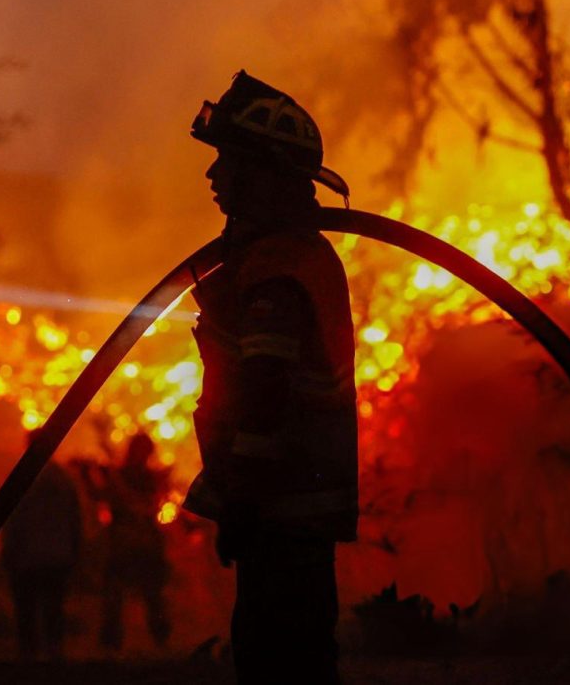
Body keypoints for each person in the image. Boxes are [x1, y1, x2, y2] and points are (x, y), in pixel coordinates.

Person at [182, 70, 359, 684]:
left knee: (278, 661)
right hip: (288, 509)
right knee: (290, 654)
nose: (213, 175)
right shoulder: (277, 255)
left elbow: (264, 393)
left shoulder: (279, 270)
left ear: (262, 174)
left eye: (226, 161)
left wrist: (244, 498)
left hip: (281, 506)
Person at [81, 432, 172, 652]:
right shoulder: (146, 477)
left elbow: (101, 495)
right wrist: (88, 474)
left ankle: (152, 642)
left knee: (143, 596)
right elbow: (100, 495)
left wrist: (90, 475)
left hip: (132, 545)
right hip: (135, 546)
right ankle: (129, 644)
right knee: (129, 597)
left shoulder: (139, 477)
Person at [0, 428, 83, 661]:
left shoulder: (22, 476)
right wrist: (75, 551)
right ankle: (54, 654)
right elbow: (75, 519)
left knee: (26, 608)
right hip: (57, 555)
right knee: (53, 607)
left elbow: (12, 518)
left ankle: (29, 656)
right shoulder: (63, 478)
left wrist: (9, 550)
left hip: (28, 555)